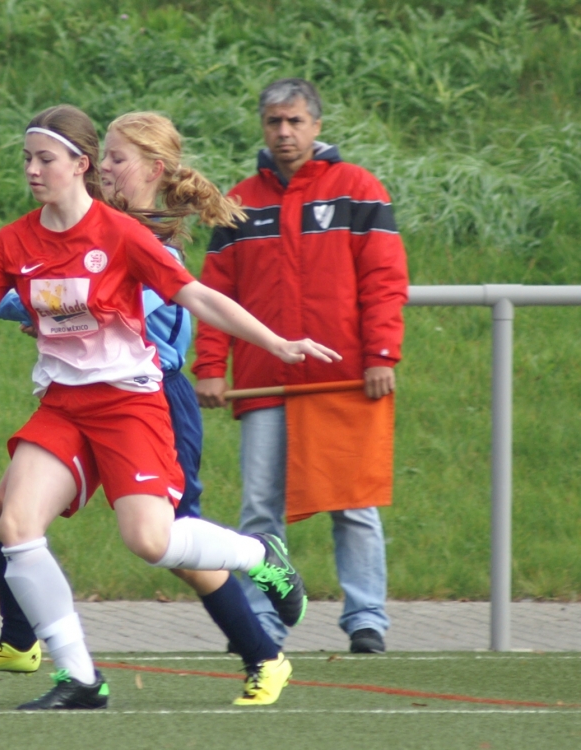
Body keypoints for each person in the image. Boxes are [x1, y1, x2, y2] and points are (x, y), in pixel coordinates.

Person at [0, 104, 340, 710]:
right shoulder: (13, 242)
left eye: (45, 158)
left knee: (151, 542)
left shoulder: (121, 234)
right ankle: (79, 678)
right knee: (15, 522)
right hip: (65, 406)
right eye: (27, 159)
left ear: (81, 164)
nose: (33, 170)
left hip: (129, 403)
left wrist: (278, 342)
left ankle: (260, 555)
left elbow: (199, 298)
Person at [0, 112, 292, 706]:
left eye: (116, 159)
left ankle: (264, 648)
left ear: (154, 170)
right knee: (12, 505)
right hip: (83, 396)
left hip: (151, 395)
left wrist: (39, 311)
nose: (105, 167)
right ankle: (25, 640)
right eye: (101, 156)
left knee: (168, 542)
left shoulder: (136, 237)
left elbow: (151, 316)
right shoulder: (80, 223)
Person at [194, 79, 409, 654]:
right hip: (266, 381)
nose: (284, 132)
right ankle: (263, 621)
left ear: (316, 126)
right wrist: (209, 366)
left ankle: (367, 620)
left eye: (294, 122)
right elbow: (215, 294)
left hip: (344, 378)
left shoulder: (359, 190)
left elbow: (385, 281)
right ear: (262, 128)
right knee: (260, 507)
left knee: (353, 502)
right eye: (273, 122)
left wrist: (382, 354)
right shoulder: (237, 203)